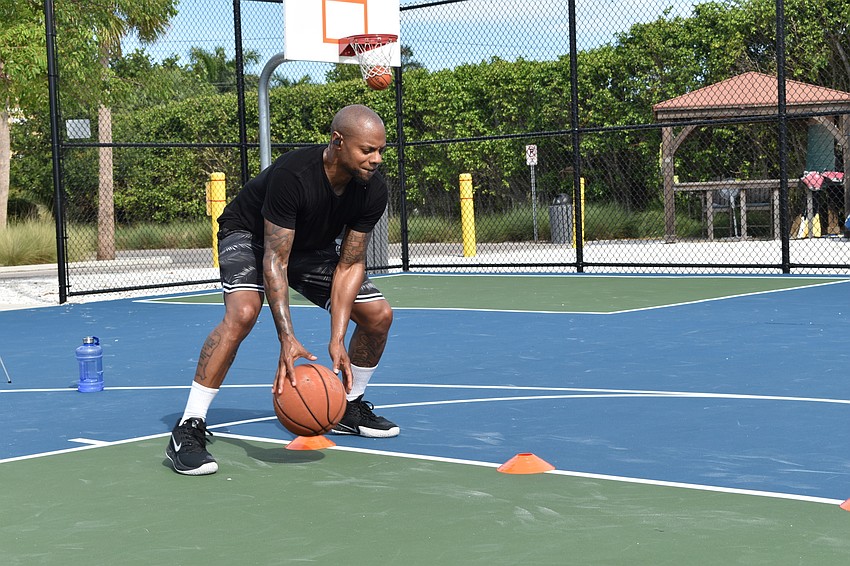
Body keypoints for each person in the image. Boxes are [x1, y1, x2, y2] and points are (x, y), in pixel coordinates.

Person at [166, 104, 398, 476]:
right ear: (338, 142)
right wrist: (286, 337)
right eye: (367, 150)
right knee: (242, 313)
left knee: (377, 315)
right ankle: (188, 427)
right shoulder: (295, 174)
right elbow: (275, 260)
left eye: (380, 150)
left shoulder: (372, 189)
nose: (376, 158)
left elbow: (350, 263)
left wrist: (337, 337)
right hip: (250, 236)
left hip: (309, 249)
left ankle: (349, 407)